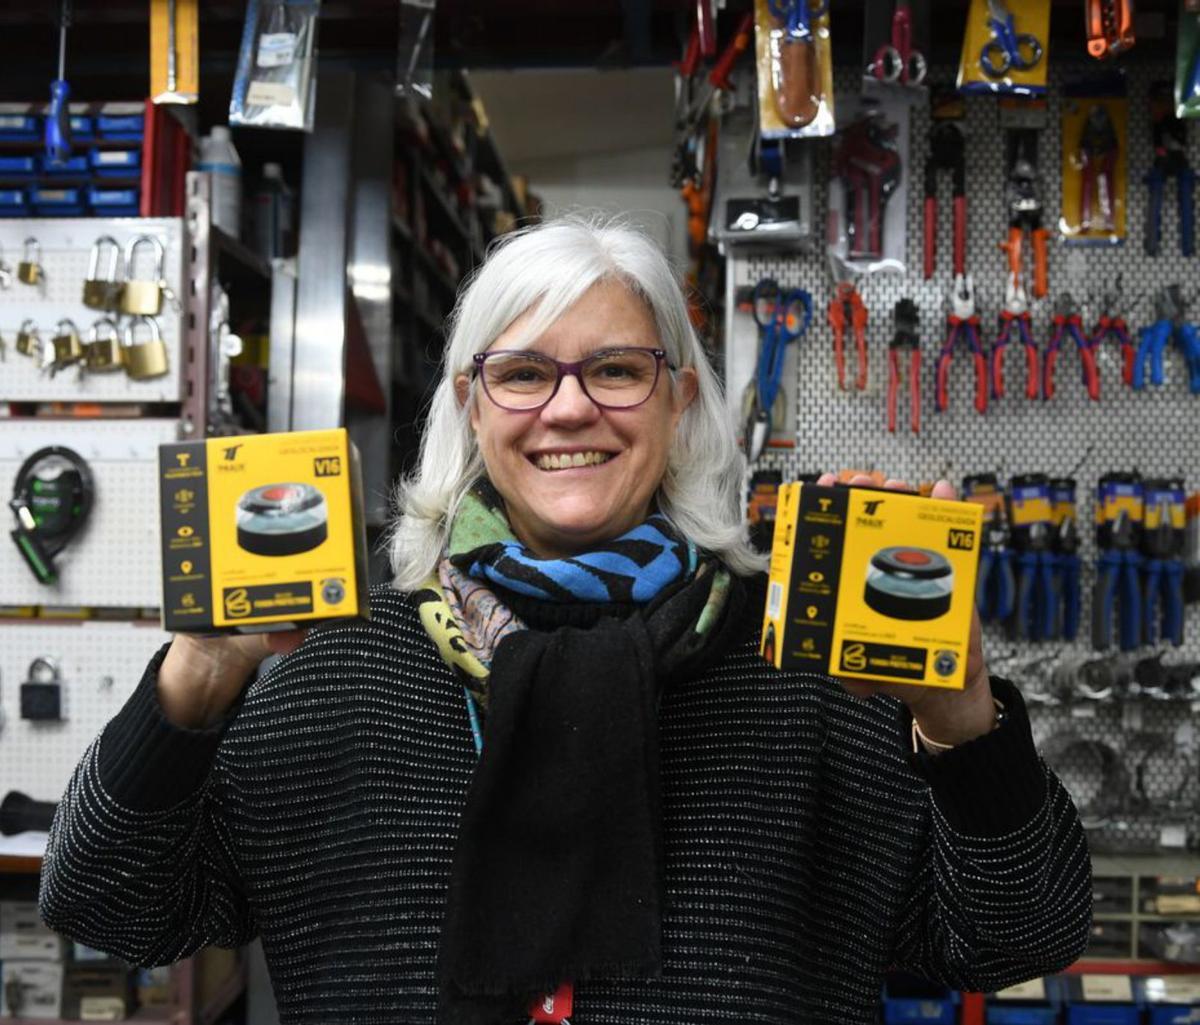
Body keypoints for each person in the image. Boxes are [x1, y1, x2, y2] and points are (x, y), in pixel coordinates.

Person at [40, 216, 1091, 1025]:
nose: (570, 407)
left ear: (680, 400)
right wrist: (196, 677)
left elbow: (1017, 935)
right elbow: (109, 906)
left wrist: (960, 713)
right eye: (525, 371)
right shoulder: (338, 664)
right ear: (472, 404)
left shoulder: (801, 668)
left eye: (618, 369)